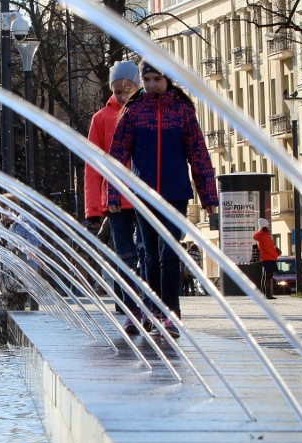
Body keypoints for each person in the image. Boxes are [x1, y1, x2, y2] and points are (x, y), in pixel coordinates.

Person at [108, 60, 219, 338]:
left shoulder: (182, 112)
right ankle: (152, 308)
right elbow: (117, 155)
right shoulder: (133, 112)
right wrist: (113, 193)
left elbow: (199, 155)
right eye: (147, 80)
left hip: (175, 194)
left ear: (167, 79)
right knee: (148, 254)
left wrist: (209, 197)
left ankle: (171, 312)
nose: (152, 85)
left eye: (157, 79)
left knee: (169, 254)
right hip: (143, 195)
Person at [84, 60, 142, 333]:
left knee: (147, 252)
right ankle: (131, 307)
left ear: (137, 85)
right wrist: (93, 210)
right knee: (124, 255)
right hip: (116, 201)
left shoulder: (145, 113)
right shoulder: (101, 119)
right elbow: (92, 167)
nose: (122, 95)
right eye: (117, 90)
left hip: (143, 198)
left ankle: (150, 305)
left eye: (127, 89)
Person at [0, 195, 43, 310]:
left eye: (9, 210)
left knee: (22, 311)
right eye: (3, 211)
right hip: (5, 281)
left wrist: (19, 244)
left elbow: (35, 243)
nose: (6, 215)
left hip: (23, 279)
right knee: (10, 312)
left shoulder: (26, 224)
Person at [253, 217, 279, 300]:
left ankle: (266, 293)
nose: (269, 226)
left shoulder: (262, 235)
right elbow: (269, 248)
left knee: (266, 276)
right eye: (268, 225)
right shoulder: (264, 236)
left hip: (266, 257)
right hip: (268, 257)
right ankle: (268, 294)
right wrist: (276, 253)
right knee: (268, 276)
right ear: (265, 226)